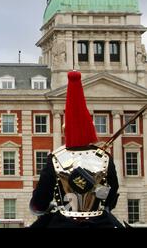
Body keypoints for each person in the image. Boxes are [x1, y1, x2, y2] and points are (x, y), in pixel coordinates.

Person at [29, 71, 122, 228]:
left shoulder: (55, 158)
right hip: (100, 222)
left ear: (66, 133)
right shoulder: (105, 158)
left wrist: (45, 208)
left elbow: (40, 201)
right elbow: (111, 195)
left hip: (63, 221)